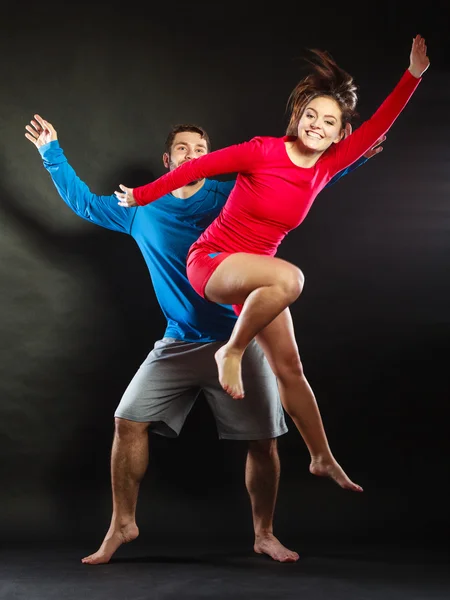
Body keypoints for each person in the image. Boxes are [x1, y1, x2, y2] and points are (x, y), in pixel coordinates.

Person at [25, 116, 383, 565]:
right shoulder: (142, 207)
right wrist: (51, 152)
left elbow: (299, 182)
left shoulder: (231, 194)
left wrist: (350, 162)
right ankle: (123, 524)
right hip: (177, 342)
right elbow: (85, 205)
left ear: (209, 160)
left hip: (239, 335)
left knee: (265, 440)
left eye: (200, 150)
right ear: (168, 159)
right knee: (126, 422)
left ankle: (265, 534)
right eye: (183, 149)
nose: (192, 155)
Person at [115, 35, 429, 406]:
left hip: (256, 275)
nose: (316, 125)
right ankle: (231, 350)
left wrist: (413, 74)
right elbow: (197, 166)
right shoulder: (263, 151)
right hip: (215, 261)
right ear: (298, 116)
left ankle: (323, 461)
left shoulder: (327, 165)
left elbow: (376, 127)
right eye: (311, 115)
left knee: (290, 369)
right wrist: (142, 194)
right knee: (290, 279)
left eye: (329, 121)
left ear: (338, 134)